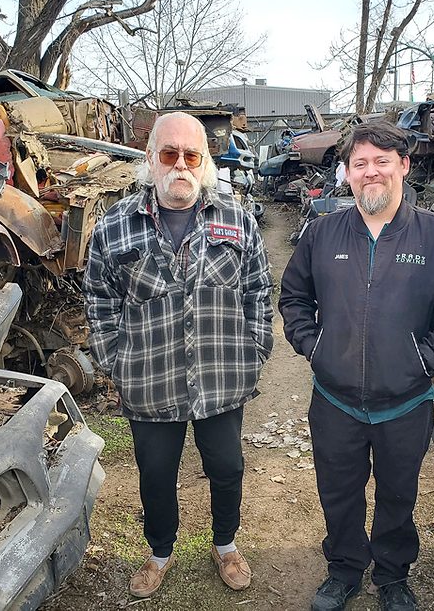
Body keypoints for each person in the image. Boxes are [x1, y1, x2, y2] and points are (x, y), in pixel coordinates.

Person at [279, 121, 434, 611]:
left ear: (404, 167)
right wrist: (314, 346)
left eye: (382, 162)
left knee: (398, 495)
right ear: (346, 174)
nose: (372, 173)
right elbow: (294, 297)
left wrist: (423, 361)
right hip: (335, 400)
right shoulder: (322, 233)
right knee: (338, 493)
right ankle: (344, 568)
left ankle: (392, 575)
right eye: (360, 164)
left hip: (405, 401)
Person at [84, 111, 273, 598]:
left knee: (227, 468)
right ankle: (159, 552)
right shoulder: (115, 226)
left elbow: (257, 290)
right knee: (156, 474)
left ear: (206, 160)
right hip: (150, 380)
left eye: (192, 155)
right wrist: (113, 359)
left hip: (222, 375)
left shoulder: (237, 219)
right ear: (151, 158)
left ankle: (226, 545)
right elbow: (100, 297)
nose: (181, 165)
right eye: (170, 154)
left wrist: (255, 348)